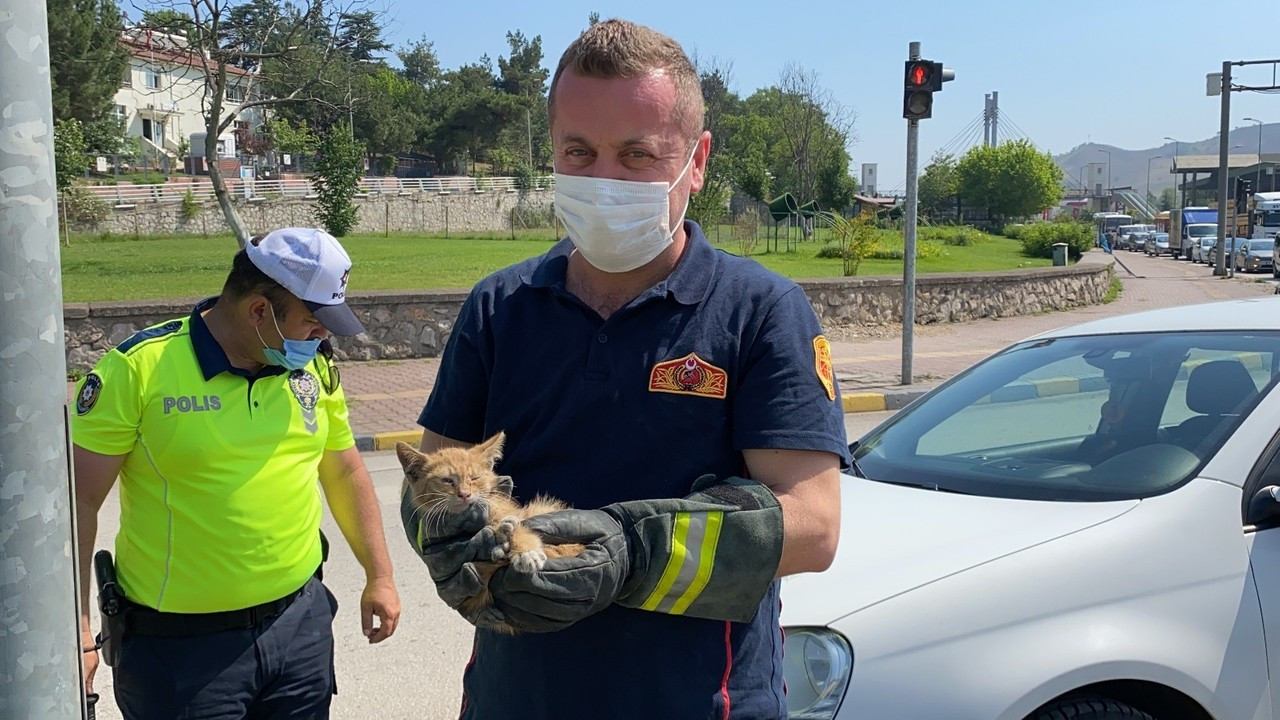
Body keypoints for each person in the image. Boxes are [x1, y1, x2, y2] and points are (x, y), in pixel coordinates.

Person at [401, 19, 849, 719]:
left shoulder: (759, 311)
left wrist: (626, 554)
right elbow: (424, 479)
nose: (603, 180)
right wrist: (445, 542)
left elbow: (814, 526)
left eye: (636, 155)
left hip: (701, 703)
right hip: (515, 699)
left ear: (696, 162)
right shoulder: (500, 307)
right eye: (578, 151)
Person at [73, 227, 401, 719]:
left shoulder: (311, 369)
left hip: (298, 628)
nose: (323, 336)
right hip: (182, 650)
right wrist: (75, 625)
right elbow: (76, 503)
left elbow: (345, 471)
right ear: (258, 311)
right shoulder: (139, 370)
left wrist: (381, 574)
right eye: (313, 321)